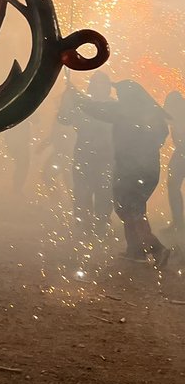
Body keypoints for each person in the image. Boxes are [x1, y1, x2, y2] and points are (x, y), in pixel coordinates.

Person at [79, 78, 172, 268]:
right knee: (131, 207)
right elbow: (162, 135)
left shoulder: (125, 109)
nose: (118, 96)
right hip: (148, 169)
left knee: (130, 210)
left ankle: (157, 249)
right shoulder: (151, 111)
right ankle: (135, 251)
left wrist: (79, 100)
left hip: (130, 170)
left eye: (120, 93)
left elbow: (98, 110)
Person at [59, 73, 115, 237]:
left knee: (104, 191)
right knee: (82, 190)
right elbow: (64, 119)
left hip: (106, 156)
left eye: (103, 84)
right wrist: (67, 100)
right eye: (96, 84)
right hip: (84, 154)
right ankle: (84, 224)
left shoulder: (113, 105)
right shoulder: (81, 104)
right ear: (91, 86)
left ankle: (102, 223)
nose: (99, 87)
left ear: (108, 87)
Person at [165, 91, 185, 237]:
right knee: (172, 185)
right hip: (180, 153)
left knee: (173, 186)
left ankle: (178, 223)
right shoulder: (173, 115)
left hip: (182, 153)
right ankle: (178, 223)